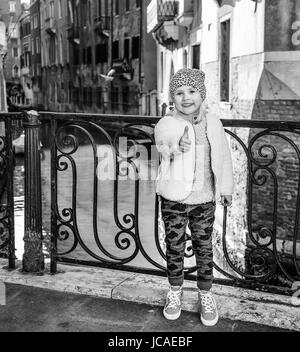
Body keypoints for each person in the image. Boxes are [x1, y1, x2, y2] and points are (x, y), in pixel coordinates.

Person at [154, 68, 234, 327]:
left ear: (202, 95)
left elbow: (223, 158)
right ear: (172, 97)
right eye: (179, 93)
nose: (186, 98)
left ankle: (206, 294)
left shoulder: (213, 123)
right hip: (174, 199)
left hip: (205, 199)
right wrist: (177, 148)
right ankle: (175, 292)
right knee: (174, 246)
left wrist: (226, 189)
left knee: (204, 247)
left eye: (192, 91)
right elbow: (162, 145)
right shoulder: (167, 122)